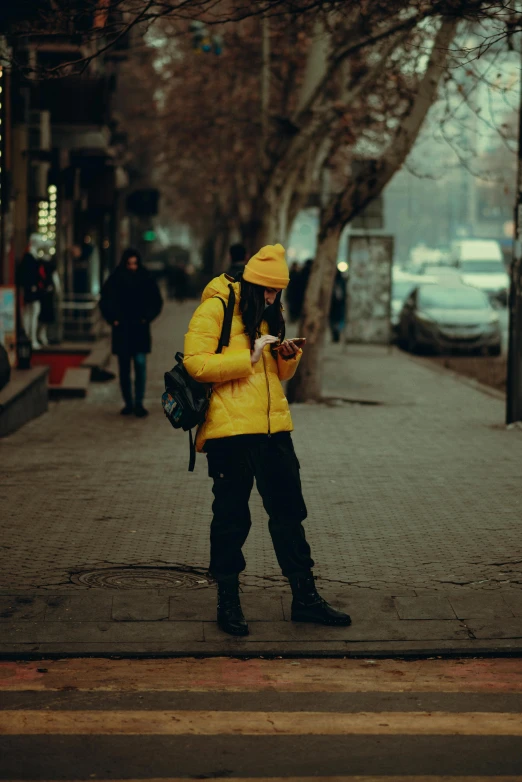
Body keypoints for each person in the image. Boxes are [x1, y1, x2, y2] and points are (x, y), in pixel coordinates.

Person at [184, 243, 351, 636]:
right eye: (269, 291)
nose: (274, 297)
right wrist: (250, 359)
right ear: (254, 283)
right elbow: (196, 363)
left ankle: (305, 598)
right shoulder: (217, 307)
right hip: (230, 434)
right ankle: (229, 601)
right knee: (230, 519)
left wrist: (286, 356)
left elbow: (279, 375)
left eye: (279, 291)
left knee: (290, 514)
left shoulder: (270, 313)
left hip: (274, 430)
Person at [100, 248, 163, 417]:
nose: (132, 267)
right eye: (129, 264)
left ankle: (139, 403)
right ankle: (128, 403)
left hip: (139, 329)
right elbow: (105, 300)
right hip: (122, 329)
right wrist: (113, 319)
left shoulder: (145, 277)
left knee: (140, 364)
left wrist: (146, 318)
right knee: (124, 368)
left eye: (135, 263)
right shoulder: (116, 278)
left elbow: (156, 301)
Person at [329, 268, 347, 343]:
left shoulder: (334, 282)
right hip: (337, 304)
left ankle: (336, 334)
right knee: (336, 320)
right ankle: (336, 334)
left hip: (335, 305)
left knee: (334, 321)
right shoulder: (341, 281)